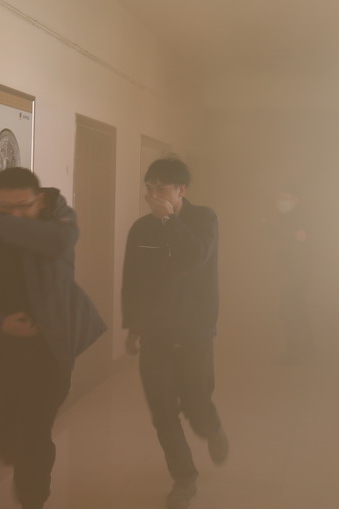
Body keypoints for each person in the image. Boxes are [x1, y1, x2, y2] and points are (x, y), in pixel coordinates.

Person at [0, 167, 106, 509]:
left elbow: (58, 243)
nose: (15, 215)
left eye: (23, 206)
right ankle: (21, 456)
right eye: (5, 208)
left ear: (39, 200)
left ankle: (32, 500)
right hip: (2, 344)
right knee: (1, 436)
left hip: (51, 347)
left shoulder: (59, 220)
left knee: (33, 434)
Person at [122, 157, 229, 509]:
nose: (153, 194)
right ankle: (184, 477)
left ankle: (211, 429)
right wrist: (133, 327)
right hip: (156, 334)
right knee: (163, 413)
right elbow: (133, 280)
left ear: (181, 190)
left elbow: (194, 257)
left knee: (196, 405)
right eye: (149, 188)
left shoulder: (204, 219)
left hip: (195, 332)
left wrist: (169, 220)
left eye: (161, 188)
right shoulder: (141, 229)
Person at [268, 184, 313, 364]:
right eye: (279, 198)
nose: (280, 202)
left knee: (287, 311)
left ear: (296, 200)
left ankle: (295, 352)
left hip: (294, 275)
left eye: (285, 198)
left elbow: (300, 252)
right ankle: (308, 348)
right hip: (290, 274)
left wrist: (290, 276)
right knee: (297, 310)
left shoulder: (299, 221)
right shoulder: (287, 219)